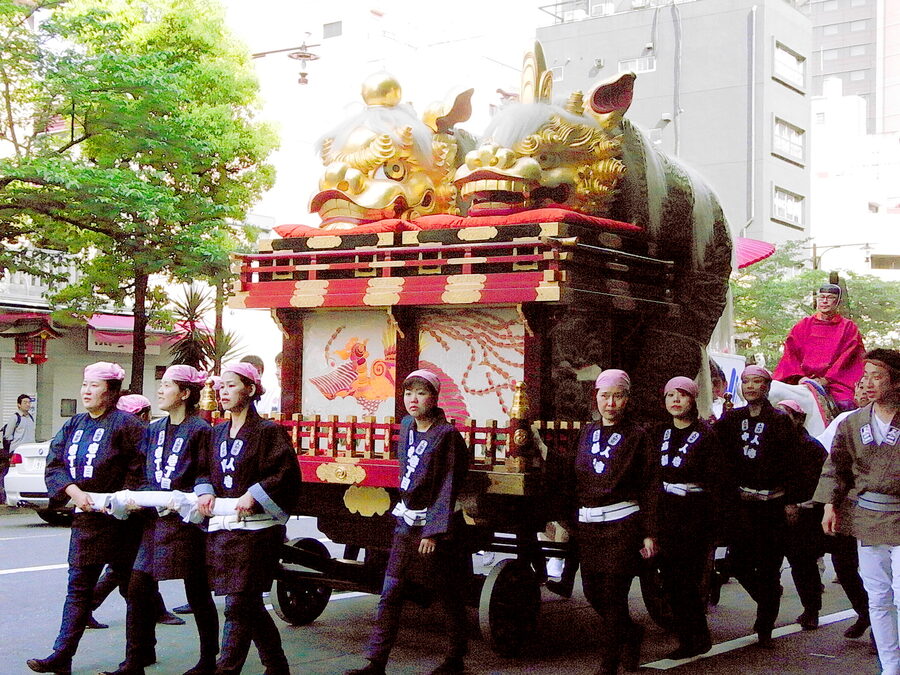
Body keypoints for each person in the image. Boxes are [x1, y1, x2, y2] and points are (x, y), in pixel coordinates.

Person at [346, 369, 470, 675]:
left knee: (446, 592)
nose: (413, 399)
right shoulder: (407, 426)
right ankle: (376, 663)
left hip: (434, 530)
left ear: (435, 397)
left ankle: (455, 657)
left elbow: (449, 485)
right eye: (408, 393)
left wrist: (434, 532)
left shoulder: (447, 436)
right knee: (391, 592)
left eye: (421, 392)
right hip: (406, 524)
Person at [27, 362, 145, 675]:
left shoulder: (128, 425)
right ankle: (61, 655)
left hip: (122, 523)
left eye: (94, 385)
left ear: (112, 392)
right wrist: (74, 493)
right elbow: (54, 464)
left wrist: (123, 500)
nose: (86, 391)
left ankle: (136, 659)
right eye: (84, 384)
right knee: (78, 590)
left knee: (134, 591)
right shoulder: (74, 424)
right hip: (86, 519)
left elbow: (142, 469)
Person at [101, 367, 219, 675]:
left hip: (186, 522)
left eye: (167, 385)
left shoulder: (201, 430)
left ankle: (209, 659)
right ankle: (135, 660)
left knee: (197, 590)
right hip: (154, 521)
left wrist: (190, 498)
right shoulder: (153, 429)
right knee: (138, 586)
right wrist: (136, 496)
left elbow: (207, 473)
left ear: (185, 393)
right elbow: (142, 472)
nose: (160, 390)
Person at [195, 362, 300, 675]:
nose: (223, 392)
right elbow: (202, 469)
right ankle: (277, 665)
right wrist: (204, 491)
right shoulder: (215, 433)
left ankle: (226, 669)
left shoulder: (269, 431)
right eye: (221, 386)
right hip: (225, 529)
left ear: (251, 390)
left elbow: (286, 473)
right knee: (246, 602)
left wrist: (255, 493)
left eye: (231, 385)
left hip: (258, 531)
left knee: (239, 603)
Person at [555, 369, 658, 675]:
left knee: (613, 595)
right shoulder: (586, 432)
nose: (610, 403)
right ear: (596, 397)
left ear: (627, 399)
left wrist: (650, 533)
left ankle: (609, 663)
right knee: (592, 592)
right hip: (589, 527)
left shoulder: (638, 436)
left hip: (622, 525)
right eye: (604, 395)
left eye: (618, 395)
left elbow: (650, 485)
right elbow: (572, 476)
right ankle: (630, 633)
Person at [817, 348, 900, 674]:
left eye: (876, 376)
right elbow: (835, 466)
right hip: (868, 518)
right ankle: (890, 667)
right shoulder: (852, 423)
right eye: (865, 375)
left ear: (896, 382)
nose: (868, 382)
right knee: (878, 596)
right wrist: (829, 503)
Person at [715, 365, 800, 648]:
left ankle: (765, 626)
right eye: (746, 382)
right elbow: (718, 454)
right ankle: (768, 597)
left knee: (768, 566)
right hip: (742, 504)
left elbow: (792, 464)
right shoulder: (731, 419)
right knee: (736, 564)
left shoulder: (780, 420)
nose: (750, 387)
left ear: (767, 386)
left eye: (757, 382)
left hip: (772, 504)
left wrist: (791, 501)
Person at [88, 394, 183, 633]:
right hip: (129, 508)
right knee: (127, 569)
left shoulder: (111, 430)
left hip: (120, 506)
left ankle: (150, 618)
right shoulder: (141, 434)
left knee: (128, 569)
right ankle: (88, 608)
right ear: (142, 415)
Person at [655, 376, 725, 659]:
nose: (675, 400)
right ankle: (689, 634)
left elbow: (718, 482)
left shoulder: (707, 435)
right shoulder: (659, 432)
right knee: (670, 580)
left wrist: (714, 526)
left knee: (686, 580)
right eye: (670, 395)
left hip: (694, 515)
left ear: (693, 399)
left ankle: (695, 637)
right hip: (665, 513)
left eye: (681, 395)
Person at [814, 378, 872, 640]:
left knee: (881, 572)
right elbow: (827, 457)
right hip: (848, 502)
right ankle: (864, 611)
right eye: (859, 386)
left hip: (883, 509)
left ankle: (882, 630)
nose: (862, 391)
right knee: (844, 564)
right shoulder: (846, 420)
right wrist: (828, 502)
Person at [776, 399, 827, 631]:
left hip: (805, 512)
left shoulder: (811, 447)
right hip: (775, 508)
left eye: (787, 416)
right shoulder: (775, 442)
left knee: (802, 562)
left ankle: (812, 608)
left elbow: (819, 483)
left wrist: (795, 503)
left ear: (799, 419)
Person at [773, 283, 866, 410]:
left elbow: (848, 357)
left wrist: (827, 379)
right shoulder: (803, 325)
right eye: (821, 297)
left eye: (830, 297)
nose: (825, 301)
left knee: (846, 405)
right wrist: (800, 377)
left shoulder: (848, 327)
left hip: (835, 383)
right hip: (802, 380)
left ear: (838, 301)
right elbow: (790, 354)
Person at [1, 393, 36, 502]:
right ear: (19, 405)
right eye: (25, 402)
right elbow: (8, 435)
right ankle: (6, 497)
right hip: (17, 451)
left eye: (29, 402)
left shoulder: (30, 417)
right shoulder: (15, 417)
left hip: (29, 451)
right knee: (11, 473)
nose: (27, 404)